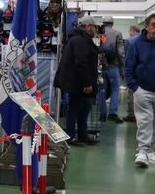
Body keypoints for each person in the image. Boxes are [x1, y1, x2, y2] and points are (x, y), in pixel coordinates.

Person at [125, 13, 155, 167]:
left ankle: (151, 150)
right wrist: (135, 88)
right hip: (143, 91)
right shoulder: (135, 43)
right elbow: (129, 67)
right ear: (146, 26)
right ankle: (142, 151)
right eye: (154, 24)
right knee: (145, 121)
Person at [54, 15, 99, 146]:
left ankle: (82, 134)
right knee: (75, 109)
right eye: (95, 27)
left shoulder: (78, 39)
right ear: (88, 26)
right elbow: (81, 63)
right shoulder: (81, 41)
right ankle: (70, 136)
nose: (96, 30)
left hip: (76, 81)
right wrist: (87, 83)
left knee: (83, 108)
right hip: (77, 82)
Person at [100, 16, 125, 123]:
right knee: (115, 90)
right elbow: (120, 52)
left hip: (101, 67)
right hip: (113, 66)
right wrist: (123, 67)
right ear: (112, 23)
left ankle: (102, 114)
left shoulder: (100, 33)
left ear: (103, 23)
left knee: (101, 90)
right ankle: (112, 113)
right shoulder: (117, 33)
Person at [124, 24, 141, 122]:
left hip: (132, 71)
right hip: (142, 72)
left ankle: (131, 114)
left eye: (129, 30)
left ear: (133, 30)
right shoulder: (145, 40)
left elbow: (127, 57)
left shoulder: (130, 41)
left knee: (131, 93)